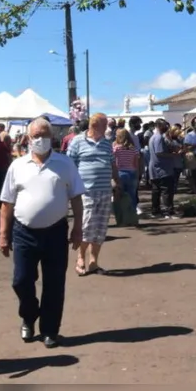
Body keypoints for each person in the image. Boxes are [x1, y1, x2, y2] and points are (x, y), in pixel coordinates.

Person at [0, 118, 85, 349]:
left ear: (53, 137)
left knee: (54, 283)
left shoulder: (64, 163)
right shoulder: (17, 166)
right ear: (27, 138)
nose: (41, 139)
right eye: (36, 135)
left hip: (56, 231)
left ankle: (50, 330)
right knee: (21, 281)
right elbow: (7, 203)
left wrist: (78, 228)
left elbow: (76, 197)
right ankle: (28, 316)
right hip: (24, 232)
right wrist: (3, 235)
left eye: (45, 135)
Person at [66, 113, 121, 276]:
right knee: (87, 226)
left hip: (105, 191)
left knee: (100, 228)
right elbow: (70, 166)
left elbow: (112, 163)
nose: (108, 129)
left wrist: (117, 182)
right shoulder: (77, 141)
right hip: (86, 192)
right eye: (105, 126)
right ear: (95, 126)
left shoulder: (106, 143)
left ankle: (93, 262)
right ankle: (80, 257)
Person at [148, 120, 178, 218]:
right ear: (159, 126)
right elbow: (159, 152)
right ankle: (168, 211)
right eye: (165, 126)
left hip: (155, 168)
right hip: (162, 168)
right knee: (166, 190)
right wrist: (172, 155)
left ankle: (155, 211)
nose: (167, 128)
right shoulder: (158, 137)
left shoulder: (153, 137)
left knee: (156, 191)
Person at [113, 129, 140, 213]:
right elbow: (136, 164)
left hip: (120, 173)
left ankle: (121, 214)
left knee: (119, 196)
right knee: (132, 195)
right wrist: (138, 174)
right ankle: (132, 214)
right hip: (132, 173)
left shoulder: (116, 149)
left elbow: (114, 162)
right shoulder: (134, 149)